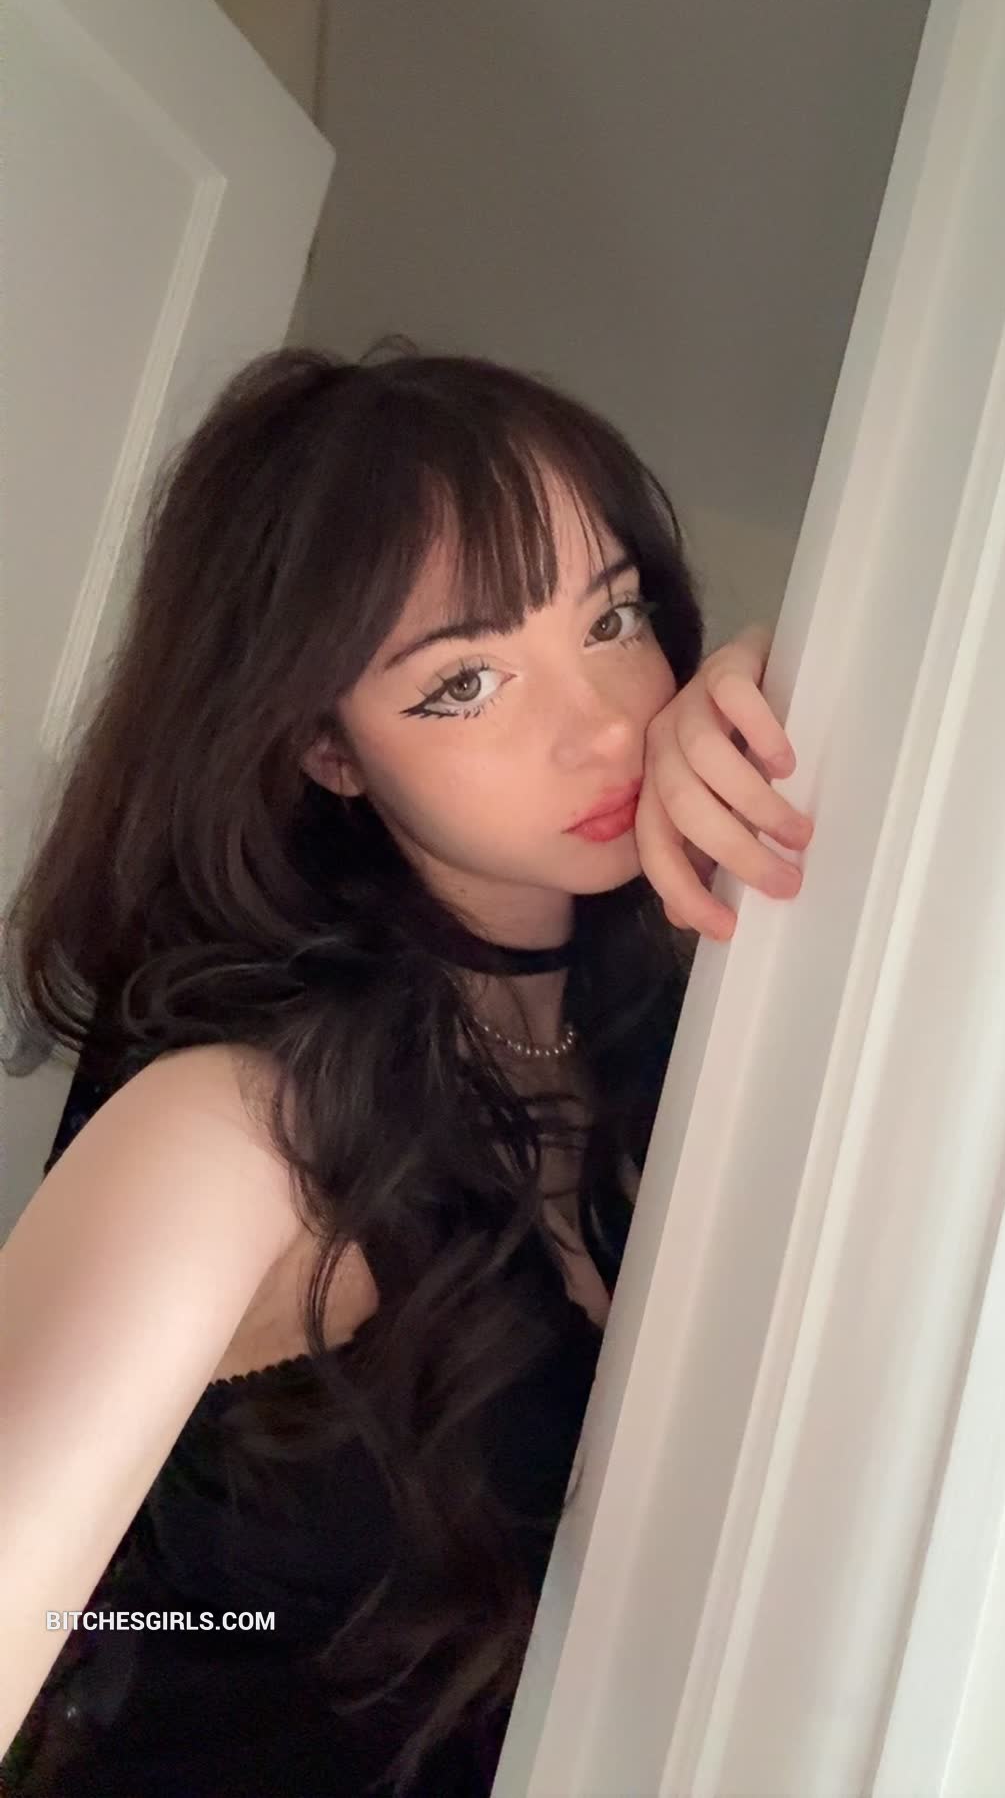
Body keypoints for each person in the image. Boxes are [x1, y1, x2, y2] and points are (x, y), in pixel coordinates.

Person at [0, 343, 812, 1796]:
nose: (605, 721)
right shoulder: (232, 1132)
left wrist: (802, 689)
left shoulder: (688, 1052)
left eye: (615, 616)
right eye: (465, 682)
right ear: (327, 749)